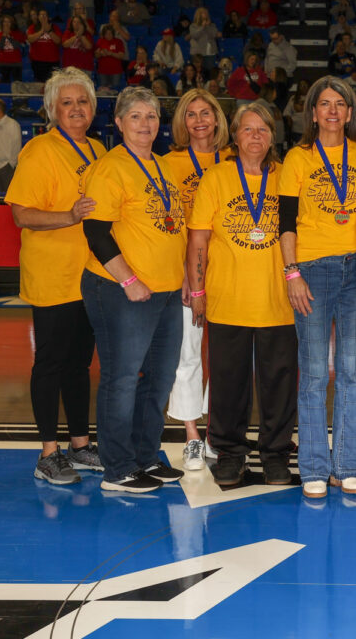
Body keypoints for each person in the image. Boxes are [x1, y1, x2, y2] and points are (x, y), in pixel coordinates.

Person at [278, 76, 356, 498]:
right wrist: (292, 274)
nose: (333, 111)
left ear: (350, 112)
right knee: (316, 372)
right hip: (314, 270)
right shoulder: (298, 158)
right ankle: (314, 468)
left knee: (352, 374)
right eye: (324, 103)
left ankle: (347, 464)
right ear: (313, 112)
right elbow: (285, 223)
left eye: (340, 103)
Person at [80, 85, 188, 493]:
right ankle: (118, 468)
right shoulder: (110, 168)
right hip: (121, 291)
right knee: (122, 378)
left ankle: (145, 457)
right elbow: (96, 231)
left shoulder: (161, 166)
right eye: (137, 116)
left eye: (152, 116)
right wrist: (129, 279)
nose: (146, 123)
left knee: (159, 379)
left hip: (163, 291)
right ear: (120, 122)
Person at [186, 102, 297, 487]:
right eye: (247, 129)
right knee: (229, 383)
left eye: (263, 130)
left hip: (279, 301)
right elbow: (198, 237)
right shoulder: (216, 177)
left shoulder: (286, 177)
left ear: (273, 136)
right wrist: (197, 288)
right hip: (226, 299)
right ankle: (231, 454)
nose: (255, 137)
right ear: (234, 135)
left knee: (279, 383)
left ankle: (276, 454)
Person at [5, 69, 105, 484]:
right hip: (52, 274)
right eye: (67, 103)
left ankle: (80, 445)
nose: (77, 109)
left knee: (80, 364)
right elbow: (20, 213)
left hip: (90, 275)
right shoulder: (39, 151)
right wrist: (69, 215)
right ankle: (48, 453)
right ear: (52, 109)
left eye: (83, 101)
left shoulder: (99, 149)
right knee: (50, 362)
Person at [162, 89, 230, 471]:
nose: (200, 120)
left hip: (233, 273)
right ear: (182, 122)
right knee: (188, 354)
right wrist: (188, 274)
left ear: (218, 119)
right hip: (190, 274)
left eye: (207, 112)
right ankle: (191, 435)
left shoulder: (237, 159)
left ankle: (217, 432)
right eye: (192, 114)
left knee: (226, 358)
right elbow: (170, 226)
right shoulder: (169, 163)